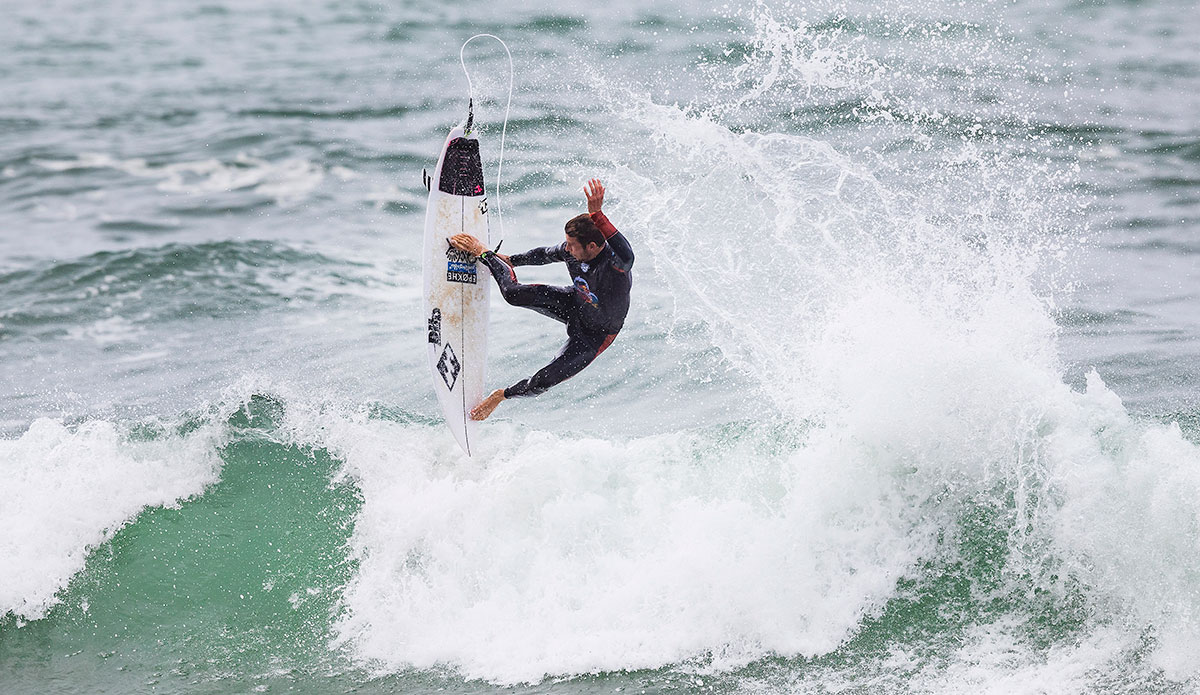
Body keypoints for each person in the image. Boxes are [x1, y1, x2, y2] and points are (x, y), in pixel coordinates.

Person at [449, 178, 633, 420]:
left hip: (594, 336)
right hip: (573, 303)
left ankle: (499, 396)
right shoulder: (573, 252)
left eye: (572, 246)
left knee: (543, 381)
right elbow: (544, 254)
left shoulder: (615, 265)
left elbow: (627, 253)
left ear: (591, 246)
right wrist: (511, 260)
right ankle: (483, 253)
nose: (566, 250)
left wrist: (597, 214)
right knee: (513, 294)